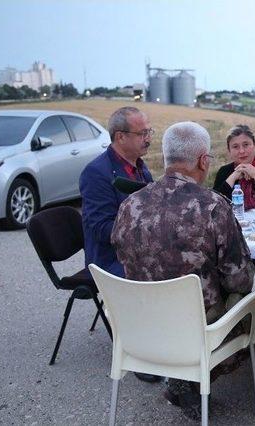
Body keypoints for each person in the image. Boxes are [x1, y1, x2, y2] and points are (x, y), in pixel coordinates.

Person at [111, 121, 255, 419]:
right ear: (203, 161)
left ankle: (181, 381)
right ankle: (191, 377)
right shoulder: (213, 206)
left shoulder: (129, 205)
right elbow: (240, 278)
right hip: (197, 327)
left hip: (141, 325)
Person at [79, 106, 156, 382]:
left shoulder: (139, 166)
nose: (148, 138)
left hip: (138, 250)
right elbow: (101, 229)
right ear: (120, 137)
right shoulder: (97, 173)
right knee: (158, 277)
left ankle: (176, 341)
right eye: (142, 133)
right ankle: (141, 355)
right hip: (110, 259)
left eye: (149, 131)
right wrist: (145, 236)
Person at [213, 124, 255, 208]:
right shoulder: (224, 171)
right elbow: (215, 205)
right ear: (229, 150)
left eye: (246, 145)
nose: (241, 151)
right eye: (235, 147)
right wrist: (233, 177)